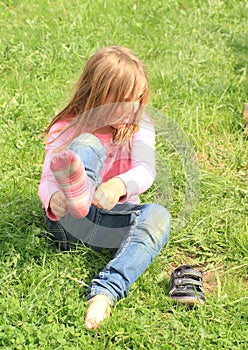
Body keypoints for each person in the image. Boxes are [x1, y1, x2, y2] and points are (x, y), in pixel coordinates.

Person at [38, 46, 171, 330]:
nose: (133, 107)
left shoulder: (140, 125)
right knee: (86, 145)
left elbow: (146, 170)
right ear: (98, 94)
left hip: (114, 222)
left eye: (138, 98)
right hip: (70, 224)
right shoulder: (67, 127)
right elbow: (48, 179)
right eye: (123, 100)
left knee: (159, 217)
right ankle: (78, 194)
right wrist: (55, 199)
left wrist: (119, 185)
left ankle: (105, 292)